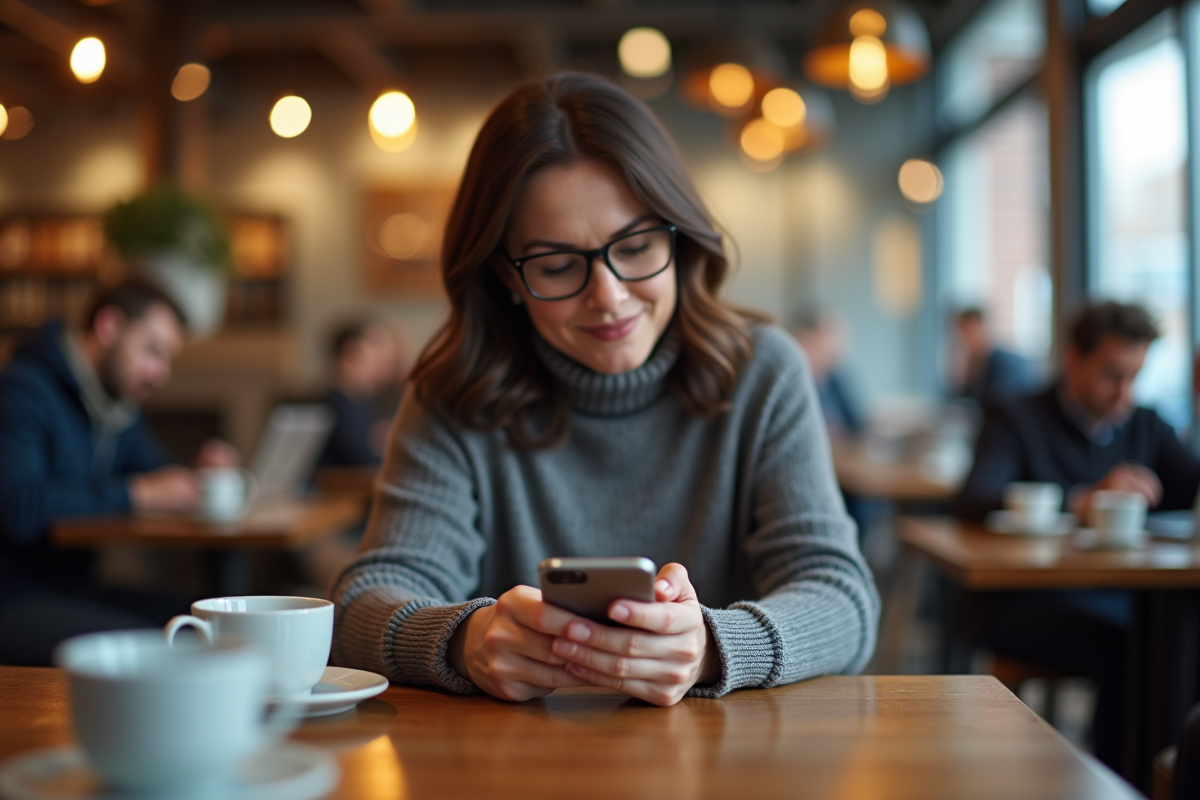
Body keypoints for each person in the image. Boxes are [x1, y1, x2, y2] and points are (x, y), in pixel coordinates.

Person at [331, 73, 879, 707]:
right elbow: (364, 602)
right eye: (559, 265)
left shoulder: (762, 371)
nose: (609, 296)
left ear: (679, 236)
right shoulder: (455, 395)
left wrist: (711, 646)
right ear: (506, 275)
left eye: (638, 246)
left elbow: (842, 597)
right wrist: (463, 640)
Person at [951, 300, 1200, 769]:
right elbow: (975, 498)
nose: (1124, 393)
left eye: (1135, 376)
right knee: (1138, 643)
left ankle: (1169, 777)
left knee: (1176, 634)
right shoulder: (1016, 416)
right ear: (1074, 360)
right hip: (1021, 600)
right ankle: (1123, 778)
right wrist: (1080, 500)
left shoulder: (1143, 422)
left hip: (1120, 595)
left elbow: (1192, 484)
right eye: (1112, 375)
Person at [0, 278, 235, 665]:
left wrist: (197, 472)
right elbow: (18, 507)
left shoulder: (113, 405)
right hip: (15, 596)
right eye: (151, 351)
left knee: (203, 621)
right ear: (109, 327)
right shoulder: (22, 388)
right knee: (174, 645)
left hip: (72, 588)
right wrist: (138, 494)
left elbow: (152, 471)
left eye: (167, 360)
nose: (160, 374)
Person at [317, 320, 404, 468]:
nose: (386, 357)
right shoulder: (335, 404)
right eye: (377, 345)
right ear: (350, 351)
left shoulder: (362, 402)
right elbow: (364, 461)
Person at [792, 312, 863, 439]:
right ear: (809, 340)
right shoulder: (795, 384)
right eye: (832, 335)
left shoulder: (835, 380)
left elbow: (857, 426)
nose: (839, 344)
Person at [950, 307, 1039, 405]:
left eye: (966, 332)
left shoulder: (1003, 364)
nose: (963, 339)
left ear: (979, 328)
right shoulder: (981, 361)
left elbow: (993, 404)